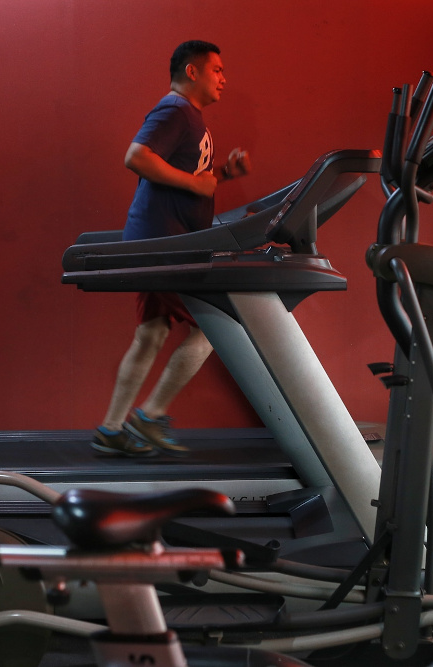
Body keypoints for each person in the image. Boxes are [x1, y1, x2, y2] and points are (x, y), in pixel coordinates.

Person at [91, 40, 252, 457]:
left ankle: (111, 429)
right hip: (164, 243)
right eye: (217, 69)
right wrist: (197, 183)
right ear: (192, 71)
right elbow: (137, 157)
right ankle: (150, 416)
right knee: (215, 325)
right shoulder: (174, 110)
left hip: (165, 238)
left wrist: (221, 175)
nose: (224, 78)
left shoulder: (190, 117)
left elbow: (185, 176)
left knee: (152, 333)